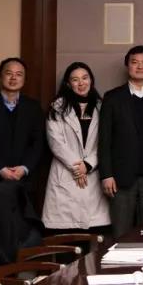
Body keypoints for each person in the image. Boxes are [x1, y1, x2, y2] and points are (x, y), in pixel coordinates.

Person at [98, 45, 143, 238]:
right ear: (127, 66)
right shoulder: (112, 97)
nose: (140, 67)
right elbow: (104, 139)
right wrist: (106, 174)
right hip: (120, 179)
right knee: (121, 234)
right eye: (135, 62)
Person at [43, 61, 110, 233]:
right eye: (75, 79)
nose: (81, 83)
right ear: (68, 84)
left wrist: (87, 164)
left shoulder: (103, 107)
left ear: (91, 80)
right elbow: (56, 142)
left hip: (93, 176)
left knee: (95, 234)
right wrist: (78, 167)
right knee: (66, 235)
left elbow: (106, 141)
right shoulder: (57, 108)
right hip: (65, 175)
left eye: (85, 78)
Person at [0, 57, 44, 189]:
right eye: (9, 73)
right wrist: (0, 168)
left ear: (25, 79)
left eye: (19, 74)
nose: (13, 78)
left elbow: (37, 142)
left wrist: (24, 168)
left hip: (23, 179)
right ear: (0, 76)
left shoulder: (33, 107)